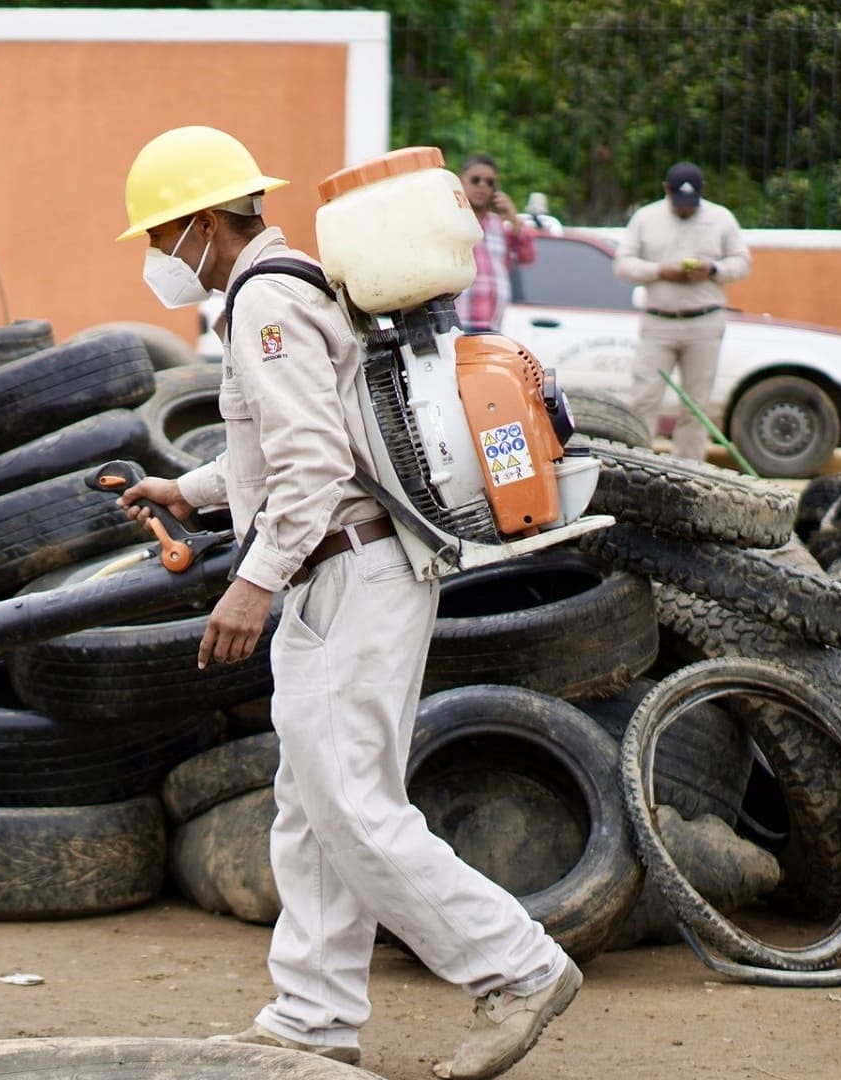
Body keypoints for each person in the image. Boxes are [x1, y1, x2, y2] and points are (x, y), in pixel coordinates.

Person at [111, 125, 581, 1080]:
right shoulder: (296, 284)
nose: (159, 260)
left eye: (162, 238)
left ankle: (518, 967)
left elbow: (315, 463)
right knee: (313, 804)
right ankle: (312, 1018)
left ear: (204, 223)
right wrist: (190, 493)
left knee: (353, 807)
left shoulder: (264, 306)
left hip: (342, 570)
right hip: (351, 568)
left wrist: (251, 584)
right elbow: (300, 437)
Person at [611, 161, 751, 460]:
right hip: (658, 321)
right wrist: (660, 270)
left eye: (691, 202)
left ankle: (689, 473)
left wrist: (712, 268)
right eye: (679, 201)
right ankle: (637, 464)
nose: (685, 209)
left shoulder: (721, 218)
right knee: (645, 398)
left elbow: (742, 263)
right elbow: (623, 265)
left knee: (696, 404)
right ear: (666, 190)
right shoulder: (646, 218)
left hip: (704, 321)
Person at [453, 153, 536, 332]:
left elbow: (528, 256)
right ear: (460, 182)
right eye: (475, 180)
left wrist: (514, 218)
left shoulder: (500, 225)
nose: (482, 186)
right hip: (457, 322)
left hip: (493, 324)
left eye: (489, 182)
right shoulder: (452, 219)